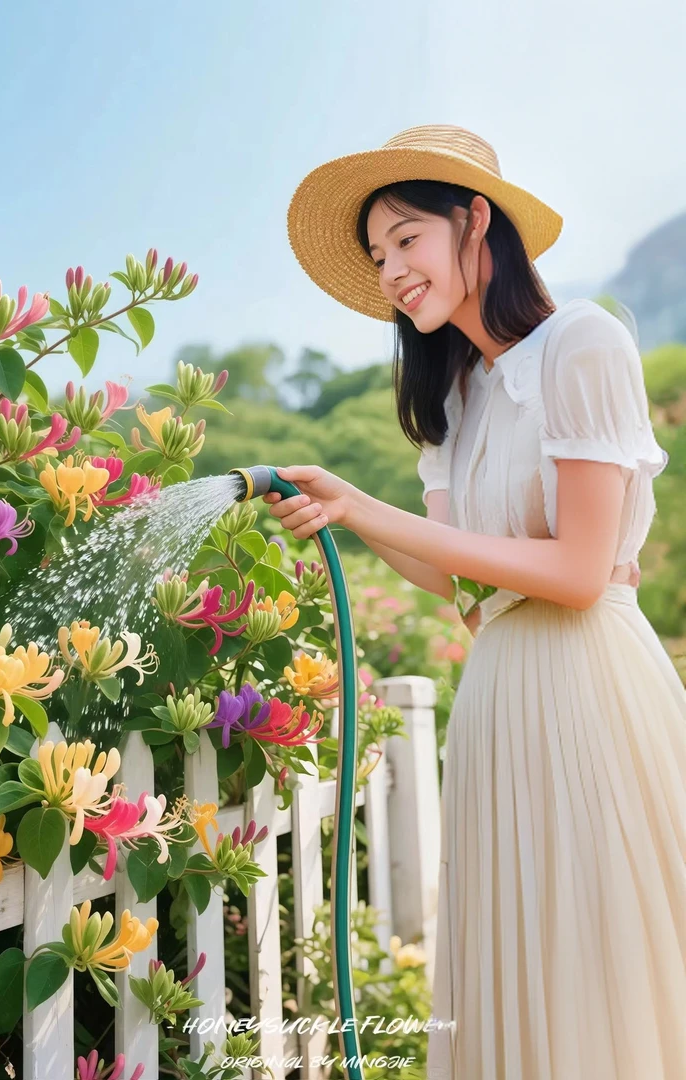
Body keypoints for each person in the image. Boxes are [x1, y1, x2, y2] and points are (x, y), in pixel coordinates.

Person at [271, 124, 686, 1080]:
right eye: (378, 256)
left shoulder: (581, 343)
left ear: (476, 222)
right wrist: (345, 513)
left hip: (590, 684)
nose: (391, 272)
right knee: (521, 953)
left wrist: (362, 502)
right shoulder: (455, 400)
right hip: (497, 694)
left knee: (600, 964)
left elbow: (579, 570)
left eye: (407, 239)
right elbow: (455, 574)